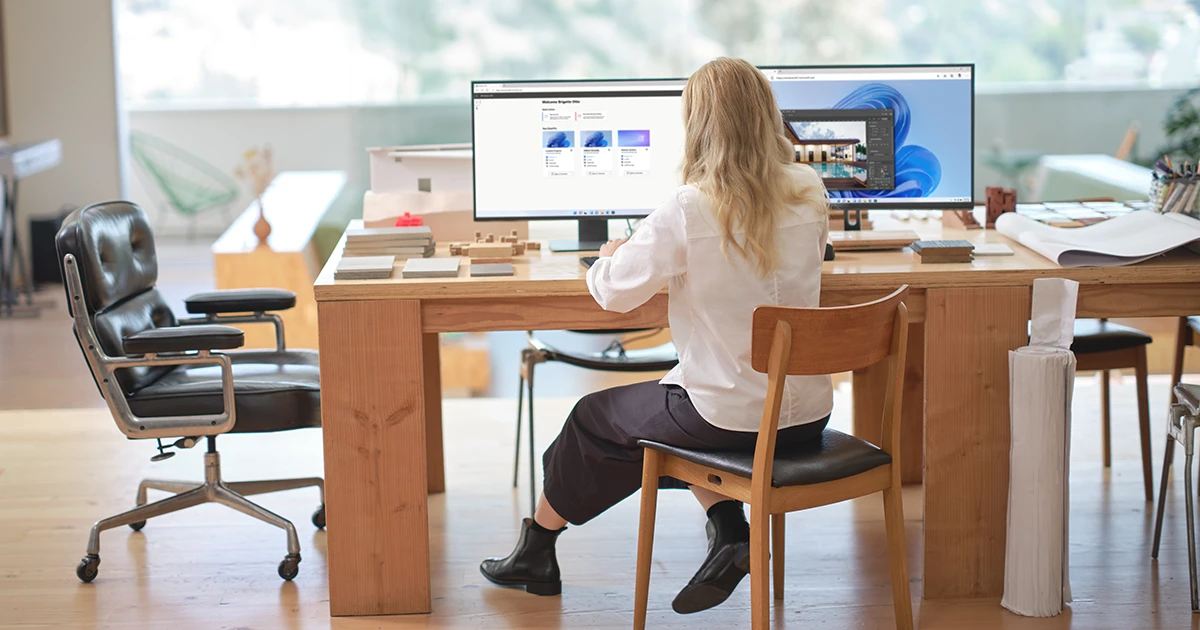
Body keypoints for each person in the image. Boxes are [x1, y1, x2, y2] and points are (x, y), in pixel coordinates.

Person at [480, 57, 833, 615]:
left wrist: (608, 256)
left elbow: (613, 294)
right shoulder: (809, 189)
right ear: (768, 115)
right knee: (669, 401)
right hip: (807, 415)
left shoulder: (691, 206)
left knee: (594, 420)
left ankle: (537, 548)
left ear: (697, 124)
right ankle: (728, 529)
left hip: (730, 419)